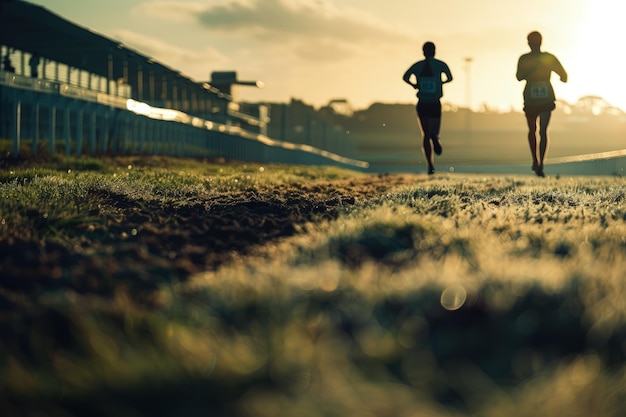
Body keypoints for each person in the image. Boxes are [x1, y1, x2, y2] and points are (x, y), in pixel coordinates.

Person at [516, 31, 567, 177]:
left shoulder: (525, 58)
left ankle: (536, 161)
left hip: (532, 98)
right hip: (544, 98)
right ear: (541, 42)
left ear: (528, 43)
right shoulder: (547, 58)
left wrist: (531, 72)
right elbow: (564, 76)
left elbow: (519, 77)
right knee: (542, 131)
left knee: (533, 130)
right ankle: (539, 163)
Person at [403, 41, 453, 175]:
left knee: (425, 135)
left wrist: (414, 85)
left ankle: (430, 164)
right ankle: (435, 138)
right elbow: (450, 77)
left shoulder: (417, 66)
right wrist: (440, 82)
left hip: (422, 102)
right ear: (435, 51)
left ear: (423, 52)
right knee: (434, 133)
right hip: (435, 102)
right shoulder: (440, 65)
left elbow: (405, 77)